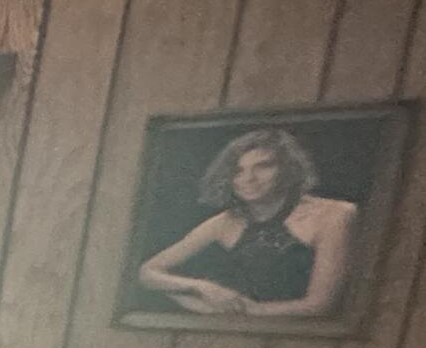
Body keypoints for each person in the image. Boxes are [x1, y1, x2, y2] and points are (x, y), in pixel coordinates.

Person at [135, 127, 355, 320]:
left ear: (288, 168)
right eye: (238, 171)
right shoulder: (225, 222)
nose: (248, 178)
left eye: (263, 166)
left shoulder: (334, 214)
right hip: (240, 335)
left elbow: (320, 305)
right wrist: (202, 288)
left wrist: (232, 311)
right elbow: (148, 272)